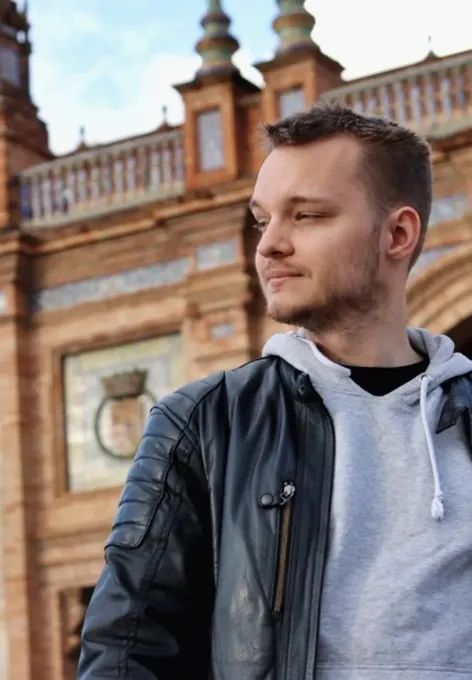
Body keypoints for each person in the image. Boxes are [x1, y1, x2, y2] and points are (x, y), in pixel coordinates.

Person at [78, 105, 472, 680]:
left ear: (398, 234)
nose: (269, 246)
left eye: (306, 215)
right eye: (263, 221)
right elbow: (127, 652)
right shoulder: (204, 425)